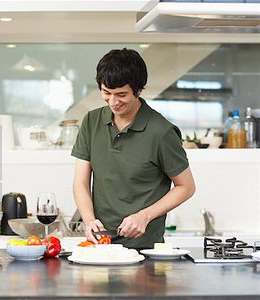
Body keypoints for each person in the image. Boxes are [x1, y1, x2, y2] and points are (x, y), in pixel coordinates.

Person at [72, 48, 195, 249]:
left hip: (144, 249)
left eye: (121, 94)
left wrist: (144, 216)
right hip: (101, 245)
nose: (113, 102)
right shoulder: (91, 122)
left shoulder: (161, 132)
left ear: (138, 90)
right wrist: (89, 220)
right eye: (106, 93)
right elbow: (80, 183)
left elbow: (186, 187)